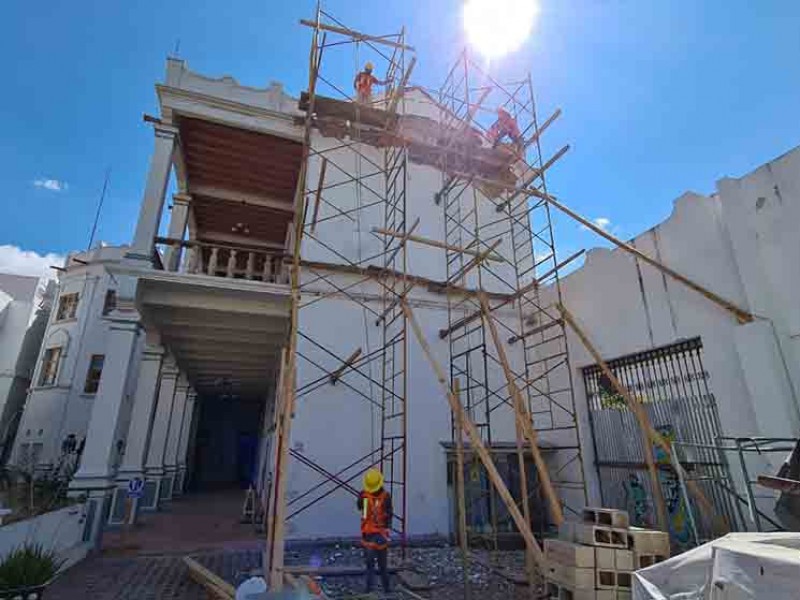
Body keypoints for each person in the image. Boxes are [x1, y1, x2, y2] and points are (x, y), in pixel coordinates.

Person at [357, 468, 392, 593]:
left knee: (370, 566)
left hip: (368, 536)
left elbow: (362, 511)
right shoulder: (386, 496)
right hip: (381, 535)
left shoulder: (364, 496)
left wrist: (362, 497)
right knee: (383, 566)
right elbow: (389, 515)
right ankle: (387, 589)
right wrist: (387, 530)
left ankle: (369, 591)